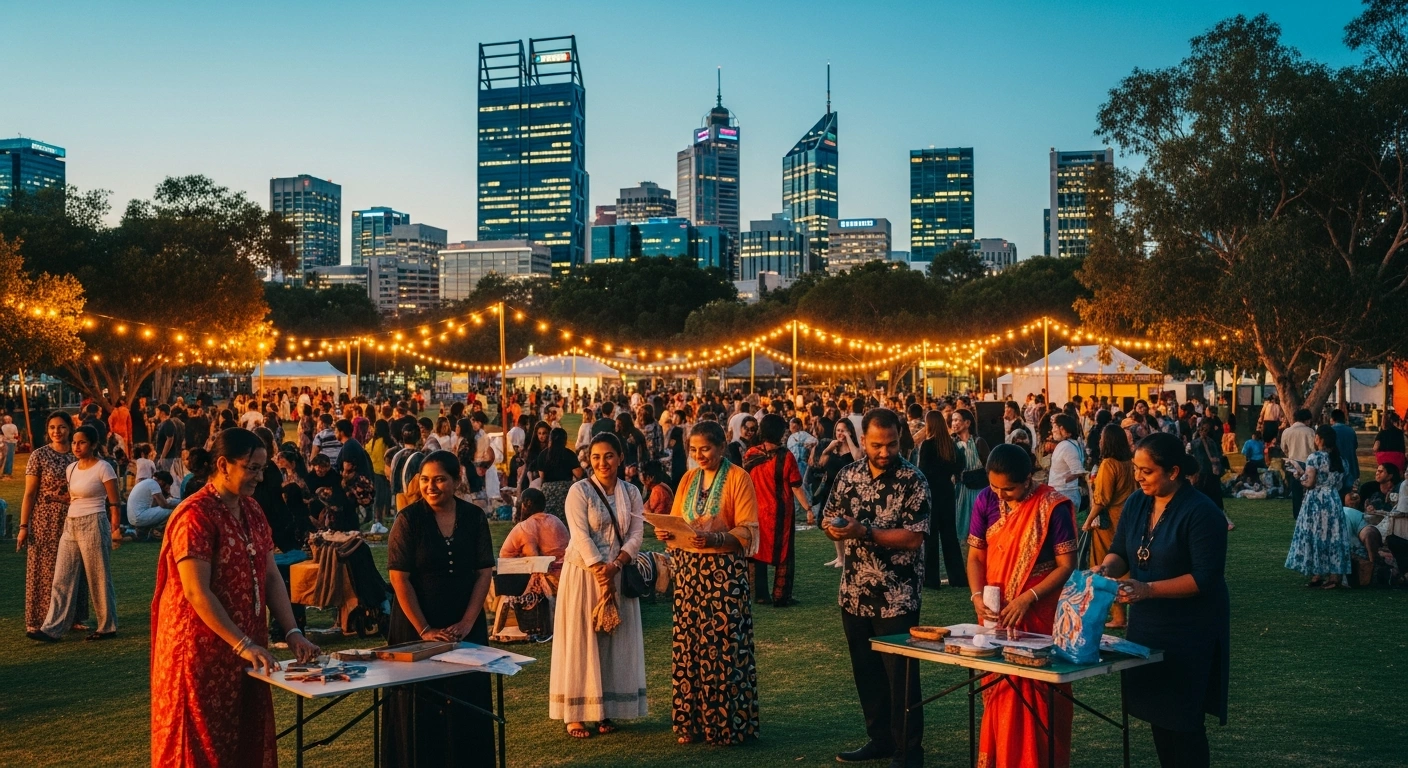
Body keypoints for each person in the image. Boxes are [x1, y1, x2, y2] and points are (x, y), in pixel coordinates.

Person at [151, 428, 320, 767]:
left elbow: (270, 575)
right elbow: (196, 591)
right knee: (201, 747)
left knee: (244, 739)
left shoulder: (253, 510)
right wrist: (242, 643)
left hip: (246, 648)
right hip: (199, 652)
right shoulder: (195, 515)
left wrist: (292, 632)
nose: (260, 477)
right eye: (252, 468)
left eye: (262, 469)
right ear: (223, 465)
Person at [1096, 432, 1229, 768]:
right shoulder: (1137, 502)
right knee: (1159, 717)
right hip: (1148, 627)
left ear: (1173, 472)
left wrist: (1148, 589)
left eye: (1147, 471)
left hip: (1190, 631)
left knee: (1184, 722)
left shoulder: (1201, 511)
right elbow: (1120, 551)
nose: (1138, 477)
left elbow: (1205, 578)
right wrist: (1105, 569)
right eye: (1136, 469)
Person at [822, 408, 929, 768]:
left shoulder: (913, 480)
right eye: (877, 445)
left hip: (897, 596)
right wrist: (835, 529)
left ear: (900, 438)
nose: (885, 452)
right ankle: (880, 739)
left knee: (901, 678)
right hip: (854, 593)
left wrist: (864, 531)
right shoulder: (848, 474)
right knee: (867, 673)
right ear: (863, 439)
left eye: (892, 444)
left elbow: (913, 537)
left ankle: (908, 750)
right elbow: (829, 518)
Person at [964, 443, 1077, 767]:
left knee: (1038, 693)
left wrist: (1029, 598)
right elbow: (976, 557)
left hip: (1038, 614)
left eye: (1009, 489)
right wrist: (976, 596)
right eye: (994, 486)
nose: (1001, 495)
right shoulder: (985, 500)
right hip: (995, 614)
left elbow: (1067, 565)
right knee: (1000, 690)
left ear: (1028, 479)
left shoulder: (1052, 506)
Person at [382, 450, 495, 766]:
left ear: (457, 480)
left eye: (440, 480)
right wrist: (425, 629)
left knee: (467, 701)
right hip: (416, 625)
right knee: (421, 707)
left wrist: (468, 621)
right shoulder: (408, 520)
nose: (430, 487)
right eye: (425, 480)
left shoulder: (474, 517)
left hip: (464, 625)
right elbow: (399, 579)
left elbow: (483, 572)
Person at [657, 420, 760, 746]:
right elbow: (678, 521)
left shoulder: (739, 478)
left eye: (706, 449)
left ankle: (726, 726)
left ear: (721, 446)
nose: (700, 455)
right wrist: (667, 531)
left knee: (724, 648)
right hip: (690, 575)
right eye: (694, 450)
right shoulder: (688, 479)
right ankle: (691, 723)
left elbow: (747, 530)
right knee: (690, 648)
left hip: (724, 576)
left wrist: (715, 538)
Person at [551, 433, 649, 739]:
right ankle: (576, 715)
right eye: (595, 457)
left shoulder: (631, 492)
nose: (602, 462)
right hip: (584, 574)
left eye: (608, 456)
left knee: (612, 643)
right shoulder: (579, 491)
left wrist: (616, 565)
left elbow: (636, 533)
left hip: (617, 572)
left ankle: (605, 710)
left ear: (620, 458)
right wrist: (599, 568)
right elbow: (579, 534)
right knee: (581, 641)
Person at [29, 425, 122, 642]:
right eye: (74, 442)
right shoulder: (71, 468)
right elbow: (74, 498)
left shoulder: (104, 468)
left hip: (94, 521)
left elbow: (115, 502)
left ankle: (107, 627)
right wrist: (55, 498)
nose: (76, 447)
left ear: (93, 445)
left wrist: (115, 528)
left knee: (98, 577)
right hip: (71, 524)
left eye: (82, 442)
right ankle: (52, 629)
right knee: (62, 576)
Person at [16, 411, 86, 635]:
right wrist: (23, 526)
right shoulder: (39, 456)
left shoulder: (77, 456)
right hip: (44, 521)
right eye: (53, 427)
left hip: (73, 518)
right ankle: (37, 620)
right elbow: (29, 494)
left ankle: (73, 617)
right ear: (47, 430)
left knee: (74, 568)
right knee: (43, 570)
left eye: (62, 427)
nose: (57, 431)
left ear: (70, 429)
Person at [744, 414, 811, 607]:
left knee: (758, 552)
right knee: (784, 555)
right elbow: (796, 486)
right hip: (780, 513)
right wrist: (808, 508)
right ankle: (781, 596)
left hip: (757, 511)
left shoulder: (751, 454)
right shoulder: (786, 456)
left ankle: (760, 594)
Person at [1285, 425, 1353, 588]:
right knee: (1333, 536)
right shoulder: (1341, 460)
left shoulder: (1314, 457)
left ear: (1319, 439)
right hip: (1333, 499)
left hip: (1316, 500)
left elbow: (1309, 483)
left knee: (1315, 534)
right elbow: (1340, 484)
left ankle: (1317, 574)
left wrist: (1299, 475)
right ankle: (1334, 576)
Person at [1087, 424, 1136, 628]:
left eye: (1101, 438)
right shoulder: (1129, 462)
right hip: (1126, 518)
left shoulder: (1109, 464)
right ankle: (1122, 615)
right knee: (1125, 563)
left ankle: (1118, 617)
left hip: (1108, 523)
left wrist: (1088, 521)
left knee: (1106, 565)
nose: (1099, 441)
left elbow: (1102, 500)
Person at [916, 410, 965, 589]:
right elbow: (959, 465)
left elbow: (922, 471)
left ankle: (931, 579)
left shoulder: (927, 445)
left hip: (932, 492)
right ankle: (958, 578)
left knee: (931, 537)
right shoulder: (950, 444)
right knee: (949, 535)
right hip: (947, 490)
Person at [951, 408, 990, 551]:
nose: (954, 423)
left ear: (967, 423)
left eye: (957, 420)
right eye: (953, 420)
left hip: (978, 490)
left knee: (979, 526)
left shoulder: (978, 442)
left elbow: (988, 466)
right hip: (961, 490)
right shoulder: (952, 444)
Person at [1047, 413, 1088, 511]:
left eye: (1055, 427)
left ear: (1063, 429)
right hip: (1063, 495)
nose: (1052, 430)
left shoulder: (1067, 446)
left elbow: (1078, 471)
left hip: (1064, 496)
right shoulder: (1070, 444)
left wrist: (1063, 481)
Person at [1281, 409, 1316, 518]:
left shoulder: (1287, 431)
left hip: (1293, 464)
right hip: (1307, 463)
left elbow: (1284, 448)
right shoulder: (1310, 432)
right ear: (1307, 420)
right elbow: (1313, 448)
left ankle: (1297, 514)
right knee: (1309, 491)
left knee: (1296, 492)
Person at [1329, 409, 1361, 491]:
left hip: (1335, 465)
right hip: (1351, 464)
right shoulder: (1351, 431)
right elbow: (1355, 445)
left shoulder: (1330, 431)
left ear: (1332, 419)